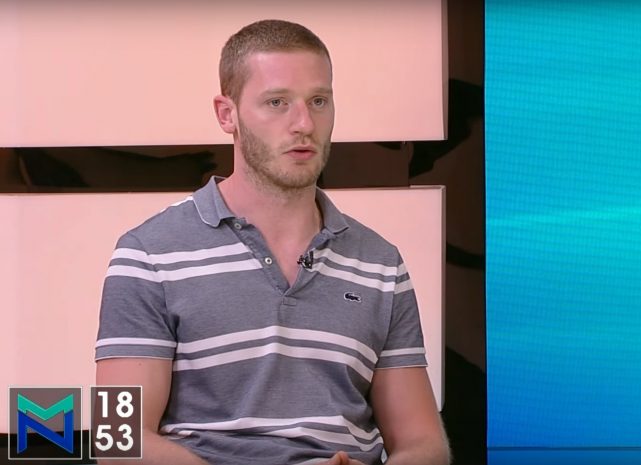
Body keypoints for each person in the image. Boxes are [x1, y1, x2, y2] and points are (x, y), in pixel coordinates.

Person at [95, 19, 449, 465]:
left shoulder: (380, 262)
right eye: (277, 102)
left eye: (318, 101)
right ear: (227, 114)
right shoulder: (147, 253)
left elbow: (424, 444)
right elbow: (117, 439)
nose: (304, 123)